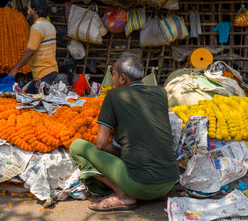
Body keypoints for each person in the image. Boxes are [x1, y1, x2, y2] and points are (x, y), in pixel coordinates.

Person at [70, 53, 179, 211]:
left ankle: (123, 195)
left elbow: (101, 143)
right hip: (169, 182)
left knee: (77, 146)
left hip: (140, 186)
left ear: (122, 78)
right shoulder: (160, 93)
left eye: (113, 74)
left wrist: (119, 150)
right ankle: (151, 191)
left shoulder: (114, 95)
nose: (112, 79)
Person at [8, 0, 58, 94]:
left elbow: (30, 51)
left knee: (33, 103)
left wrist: (15, 70)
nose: (28, 11)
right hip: (50, 71)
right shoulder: (50, 26)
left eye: (29, 8)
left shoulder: (37, 27)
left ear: (35, 10)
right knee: (27, 96)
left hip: (43, 73)